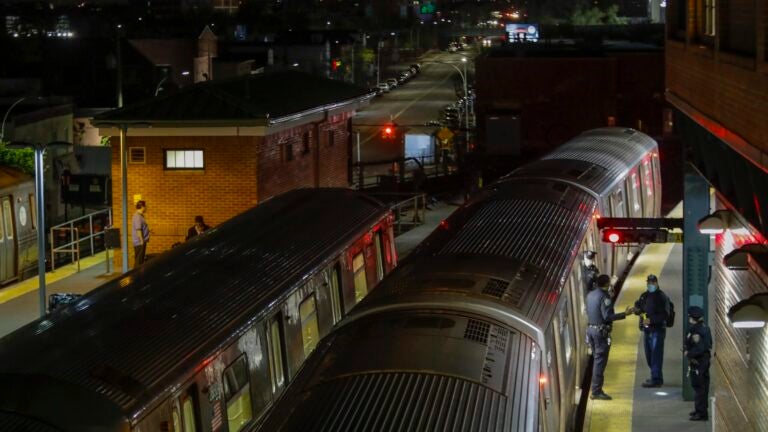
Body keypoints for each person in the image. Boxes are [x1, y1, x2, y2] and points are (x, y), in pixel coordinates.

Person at [586, 274, 635, 400]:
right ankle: (596, 391)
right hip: (600, 333)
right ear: (607, 284)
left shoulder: (590, 295)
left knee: (597, 360)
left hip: (591, 330)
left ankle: (596, 389)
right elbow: (607, 316)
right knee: (600, 362)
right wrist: (625, 313)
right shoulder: (605, 297)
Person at [633, 274, 670, 387]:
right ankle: (655, 376)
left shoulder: (662, 297)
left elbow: (665, 315)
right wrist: (636, 310)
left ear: (657, 283)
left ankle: (656, 379)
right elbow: (639, 307)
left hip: (657, 330)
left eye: (653, 283)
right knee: (649, 355)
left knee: (656, 355)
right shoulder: (644, 296)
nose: (650, 285)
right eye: (649, 283)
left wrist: (651, 320)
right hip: (647, 330)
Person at [684, 306, 712, 421]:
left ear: (692, 318)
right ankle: (700, 409)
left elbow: (700, 348)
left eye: (690, 316)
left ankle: (701, 413)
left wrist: (688, 353)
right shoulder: (704, 327)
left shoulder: (696, 331)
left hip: (699, 362)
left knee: (699, 386)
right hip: (703, 361)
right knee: (702, 386)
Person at [132, 200, 149, 267]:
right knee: (139, 261)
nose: (146, 208)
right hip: (139, 242)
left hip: (140, 242)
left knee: (140, 260)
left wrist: (148, 231)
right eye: (145, 206)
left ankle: (137, 275)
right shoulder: (137, 217)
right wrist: (142, 241)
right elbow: (138, 229)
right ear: (142, 206)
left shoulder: (140, 216)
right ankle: (136, 276)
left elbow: (141, 228)